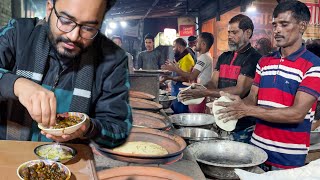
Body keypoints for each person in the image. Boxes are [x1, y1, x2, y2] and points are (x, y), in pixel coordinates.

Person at [0, 0, 132, 147]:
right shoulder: (19, 33)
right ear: (49, 9)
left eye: (89, 28)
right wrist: (16, 84)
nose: (74, 36)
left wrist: (88, 128)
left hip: (71, 163)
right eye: (66, 20)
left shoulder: (112, 59)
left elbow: (119, 129)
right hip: (8, 154)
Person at [216, 1, 320, 170]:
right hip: (257, 151)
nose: (277, 30)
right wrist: (238, 103)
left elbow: (296, 114)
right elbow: (252, 99)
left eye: (284, 24)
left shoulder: (313, 65)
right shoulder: (264, 62)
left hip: (288, 160)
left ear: (302, 26)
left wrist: (247, 110)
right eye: (274, 24)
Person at [180, 14, 261, 142]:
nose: (229, 36)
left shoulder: (254, 58)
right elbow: (213, 82)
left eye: (234, 32)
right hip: (219, 118)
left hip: (242, 125)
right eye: (228, 32)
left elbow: (240, 90)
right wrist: (198, 88)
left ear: (248, 33)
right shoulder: (224, 56)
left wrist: (205, 92)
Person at [162, 32, 215, 113]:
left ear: (203, 44)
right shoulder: (204, 56)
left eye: (197, 42)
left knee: (195, 115)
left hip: (200, 93)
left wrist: (175, 69)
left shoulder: (204, 58)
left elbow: (191, 76)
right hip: (198, 92)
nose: (195, 44)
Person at [161, 38, 195, 114]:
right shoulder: (181, 58)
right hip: (176, 90)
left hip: (181, 90)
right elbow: (178, 71)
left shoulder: (187, 59)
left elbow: (184, 78)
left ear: (179, 47)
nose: (173, 49)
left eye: (174, 47)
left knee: (181, 114)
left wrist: (168, 78)